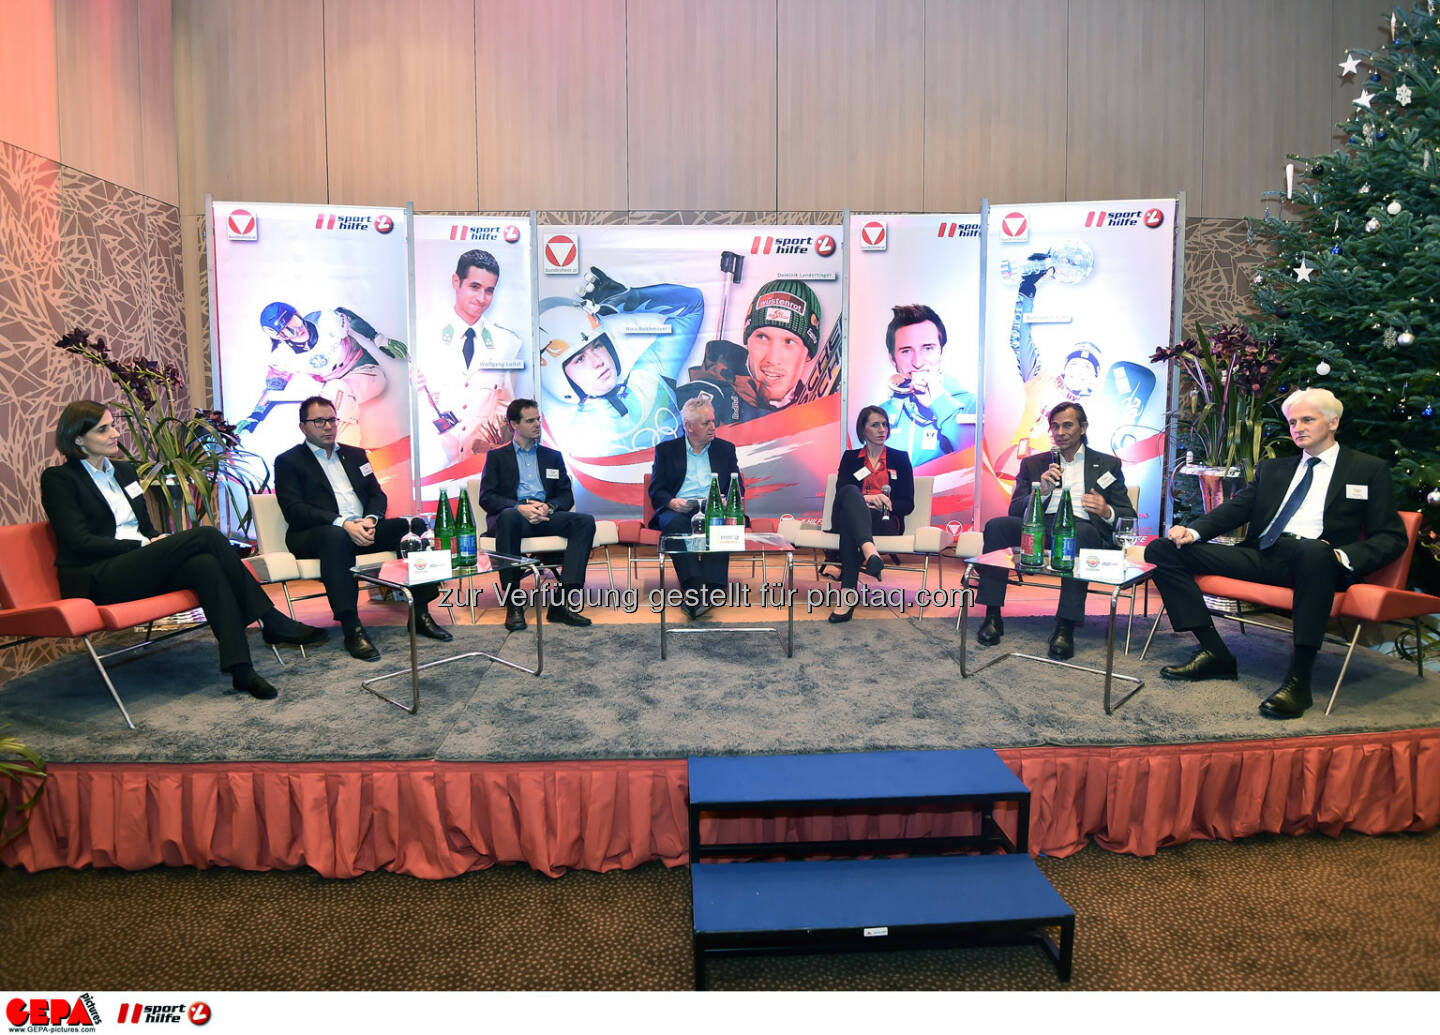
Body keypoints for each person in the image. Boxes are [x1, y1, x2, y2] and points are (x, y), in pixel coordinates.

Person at [1144, 388, 1407, 719]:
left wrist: (1340, 556)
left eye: (1307, 419)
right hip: (1265, 554)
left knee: (1313, 552)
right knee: (1163, 549)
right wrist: (1193, 531)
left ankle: (1299, 679)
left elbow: (1393, 536)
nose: (1297, 427)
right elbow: (1237, 509)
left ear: (1333, 422)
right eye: (1293, 421)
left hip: (1319, 562)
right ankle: (1214, 652)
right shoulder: (1274, 469)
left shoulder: (1367, 469)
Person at [40, 400, 327, 700]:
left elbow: (144, 528)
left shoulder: (124, 472)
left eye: (112, 425)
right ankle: (271, 618)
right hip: (97, 577)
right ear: (77, 439)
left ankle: (241, 669)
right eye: (103, 429)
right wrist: (144, 544)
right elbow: (79, 541)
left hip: (136, 565)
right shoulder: (59, 480)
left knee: (206, 565)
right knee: (206, 536)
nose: (115, 434)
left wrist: (155, 539)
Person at [274, 396, 453, 663]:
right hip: (317, 533)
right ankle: (351, 627)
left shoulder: (355, 454)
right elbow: (295, 509)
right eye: (319, 421)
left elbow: (377, 495)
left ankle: (421, 612)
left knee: (413, 527)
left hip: (363, 528)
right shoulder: (288, 461)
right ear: (303, 427)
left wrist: (371, 519)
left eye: (332, 420)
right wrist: (343, 523)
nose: (327, 426)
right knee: (336, 537)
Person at [974, 400, 1136, 660]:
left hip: (1082, 528)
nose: (1060, 432)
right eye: (1055, 426)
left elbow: (1128, 516)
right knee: (997, 526)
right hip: (1039, 525)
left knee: (1079, 535)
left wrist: (1106, 510)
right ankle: (992, 615)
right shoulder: (1033, 464)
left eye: (1067, 425)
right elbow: (1015, 510)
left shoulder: (1107, 465)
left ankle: (1065, 626)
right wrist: (1041, 492)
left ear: (1083, 427)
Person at [539, 267, 703, 455]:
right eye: (580, 359)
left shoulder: (649, 377)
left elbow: (693, 304)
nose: (598, 362)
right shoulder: (573, 443)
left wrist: (631, 298)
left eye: (598, 346)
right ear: (556, 376)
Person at [478, 398, 596, 632]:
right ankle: (514, 603)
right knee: (508, 517)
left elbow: (565, 495)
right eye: (530, 420)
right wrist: (517, 506)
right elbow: (487, 497)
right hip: (514, 517)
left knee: (584, 521)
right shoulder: (497, 457)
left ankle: (562, 602)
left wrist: (549, 507)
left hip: (544, 515)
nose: (537, 424)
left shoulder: (552, 456)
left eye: (538, 419)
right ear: (514, 424)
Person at [235, 302, 408, 443]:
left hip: (368, 374)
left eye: (294, 321)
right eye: (286, 330)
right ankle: (330, 456)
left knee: (336, 390)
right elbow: (273, 388)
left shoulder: (325, 320)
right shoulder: (283, 356)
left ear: (298, 313)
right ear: (279, 337)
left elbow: (347, 317)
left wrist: (379, 339)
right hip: (335, 390)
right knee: (324, 403)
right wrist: (255, 415)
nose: (296, 329)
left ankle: (348, 454)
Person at [416, 250, 527, 466]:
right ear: (456, 282)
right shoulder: (423, 336)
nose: (481, 298)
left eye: (489, 290)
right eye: (474, 287)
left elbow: (505, 405)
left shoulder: (508, 344)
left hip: (480, 467)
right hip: (432, 465)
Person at [648, 398, 744, 619]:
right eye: (705, 423)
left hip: (714, 507)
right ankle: (696, 589)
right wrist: (672, 502)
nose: (713, 427)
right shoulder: (666, 450)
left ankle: (706, 591)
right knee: (673, 524)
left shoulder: (725, 449)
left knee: (718, 524)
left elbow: (737, 485)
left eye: (713, 421)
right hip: (680, 508)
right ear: (689, 426)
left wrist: (727, 498)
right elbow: (657, 490)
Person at [825, 406, 914, 623]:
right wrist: (868, 499)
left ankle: (847, 597)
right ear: (863, 429)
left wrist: (886, 504)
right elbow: (842, 492)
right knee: (850, 494)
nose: (882, 429)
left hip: (883, 520)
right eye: (875, 425)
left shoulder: (899, 458)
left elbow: (908, 503)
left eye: (885, 424)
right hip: (852, 512)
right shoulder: (851, 458)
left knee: (850, 524)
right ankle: (870, 552)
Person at [877, 304, 976, 465]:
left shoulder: (972, 406)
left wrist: (939, 400)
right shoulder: (882, 413)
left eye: (928, 348)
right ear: (892, 358)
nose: (918, 362)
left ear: (941, 351)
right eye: (906, 351)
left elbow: (977, 462)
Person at [730, 279, 823, 423]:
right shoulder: (713, 395)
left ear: (808, 354)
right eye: (762, 337)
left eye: (789, 342)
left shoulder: (817, 418)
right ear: (747, 341)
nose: (773, 359)